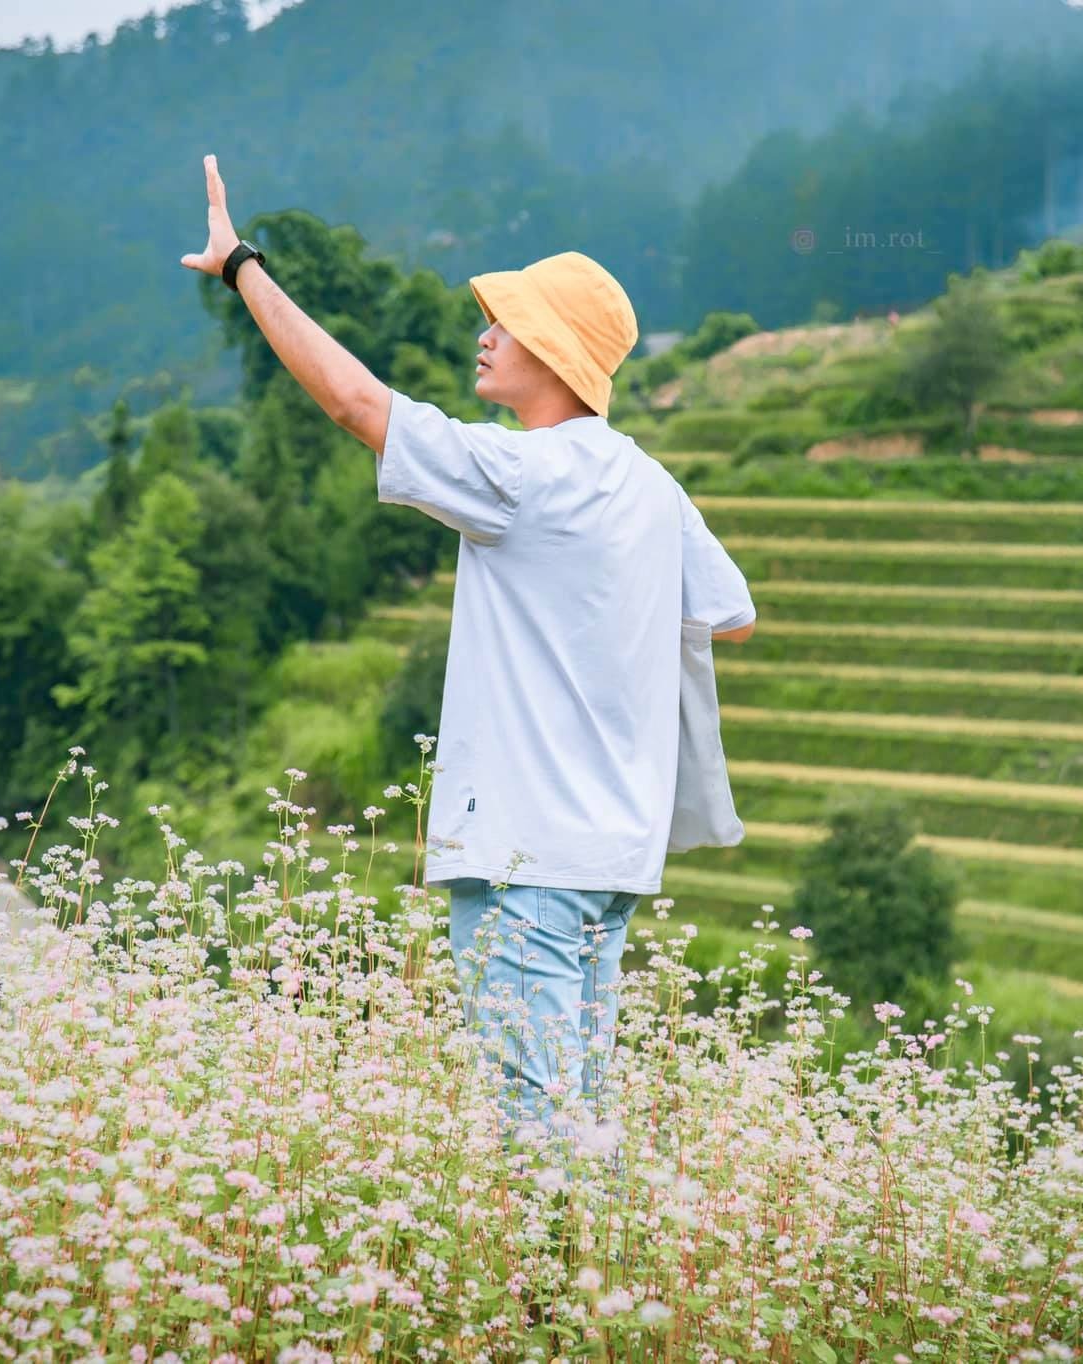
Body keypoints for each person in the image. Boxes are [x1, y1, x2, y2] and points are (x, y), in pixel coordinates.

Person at [180, 154, 757, 1161]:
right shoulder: (649, 487)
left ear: (556, 353)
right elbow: (730, 615)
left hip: (524, 858)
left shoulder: (522, 473)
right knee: (578, 1119)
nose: (483, 334)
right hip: (607, 858)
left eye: (507, 324)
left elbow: (357, 404)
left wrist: (242, 267)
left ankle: (557, 1311)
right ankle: (601, 1303)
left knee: (536, 1136)